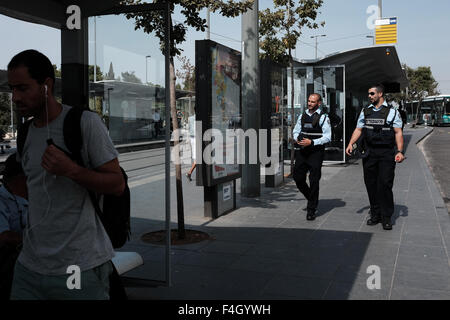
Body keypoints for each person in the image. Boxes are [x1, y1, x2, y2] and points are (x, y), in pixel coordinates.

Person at [7, 49, 125, 300]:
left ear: (46, 86)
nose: (15, 97)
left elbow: (117, 184)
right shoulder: (26, 133)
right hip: (29, 265)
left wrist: (71, 170)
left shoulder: (84, 123)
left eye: (23, 88)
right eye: (12, 89)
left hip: (77, 265)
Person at [346, 84, 404, 231]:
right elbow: (359, 129)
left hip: (386, 153)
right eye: (369, 94)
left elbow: (398, 132)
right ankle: (375, 214)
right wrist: (351, 143)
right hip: (370, 153)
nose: (369, 96)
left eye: (372, 94)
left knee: (385, 184)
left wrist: (400, 151)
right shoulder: (366, 111)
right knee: (371, 184)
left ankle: (386, 217)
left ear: (380, 94)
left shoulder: (392, 112)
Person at [292, 93, 332, 221]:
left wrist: (312, 142)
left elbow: (328, 136)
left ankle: (311, 209)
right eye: (309, 101)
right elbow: (296, 130)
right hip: (302, 151)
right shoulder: (302, 115)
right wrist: (296, 138)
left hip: (315, 152)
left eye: (313, 102)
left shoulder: (323, 117)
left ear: (319, 103)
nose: (309, 103)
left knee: (314, 180)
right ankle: (312, 198)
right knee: (298, 178)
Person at [0, 153, 28, 300]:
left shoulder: (33, 194)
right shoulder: (2, 200)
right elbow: (4, 236)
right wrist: (33, 240)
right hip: (9, 265)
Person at [185, 113, 196, 181]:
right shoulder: (200, 118)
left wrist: (187, 138)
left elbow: (188, 129)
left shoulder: (190, 118)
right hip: (197, 138)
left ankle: (190, 173)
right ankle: (189, 172)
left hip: (192, 138)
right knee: (198, 159)